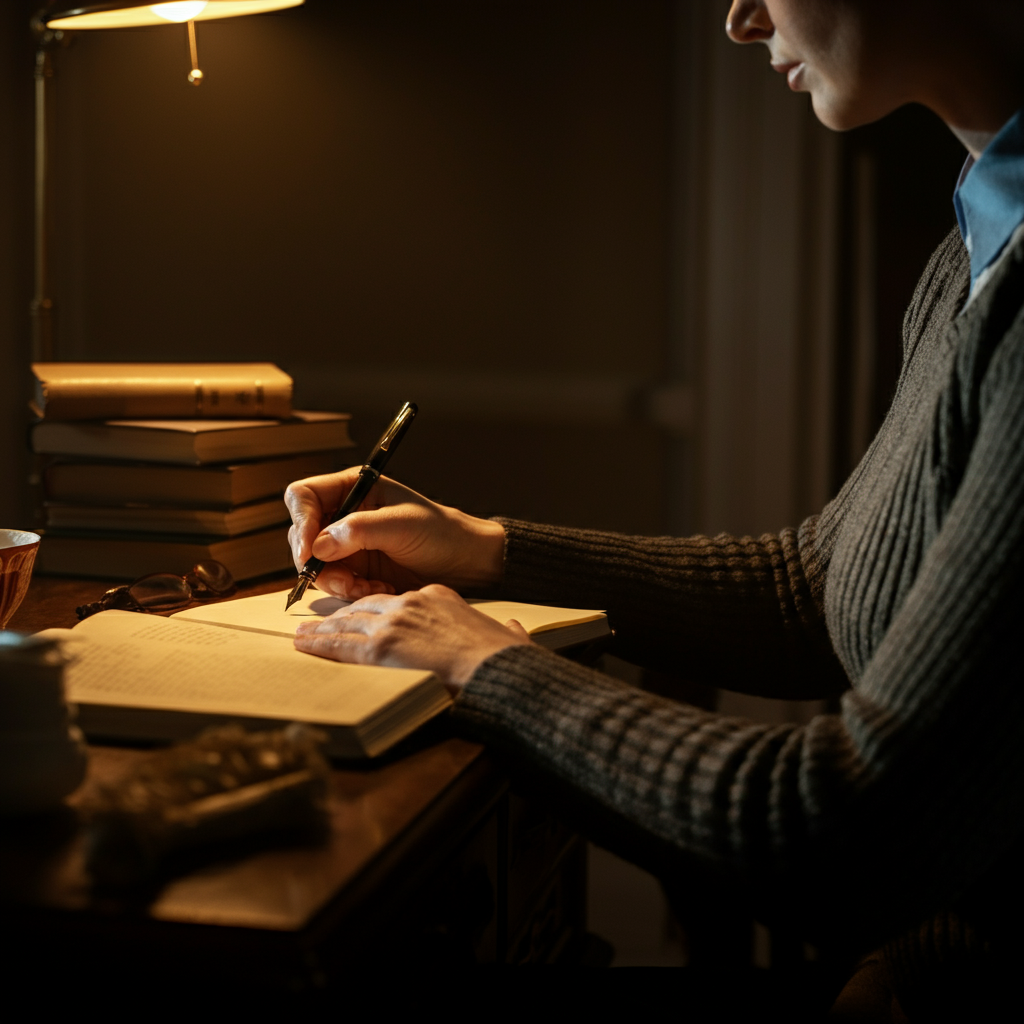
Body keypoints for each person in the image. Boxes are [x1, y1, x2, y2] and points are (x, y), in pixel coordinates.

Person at [285, 1, 1024, 1014]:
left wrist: (486, 664)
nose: (738, 18)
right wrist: (486, 550)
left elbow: (853, 830)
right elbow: (818, 585)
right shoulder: (976, 249)